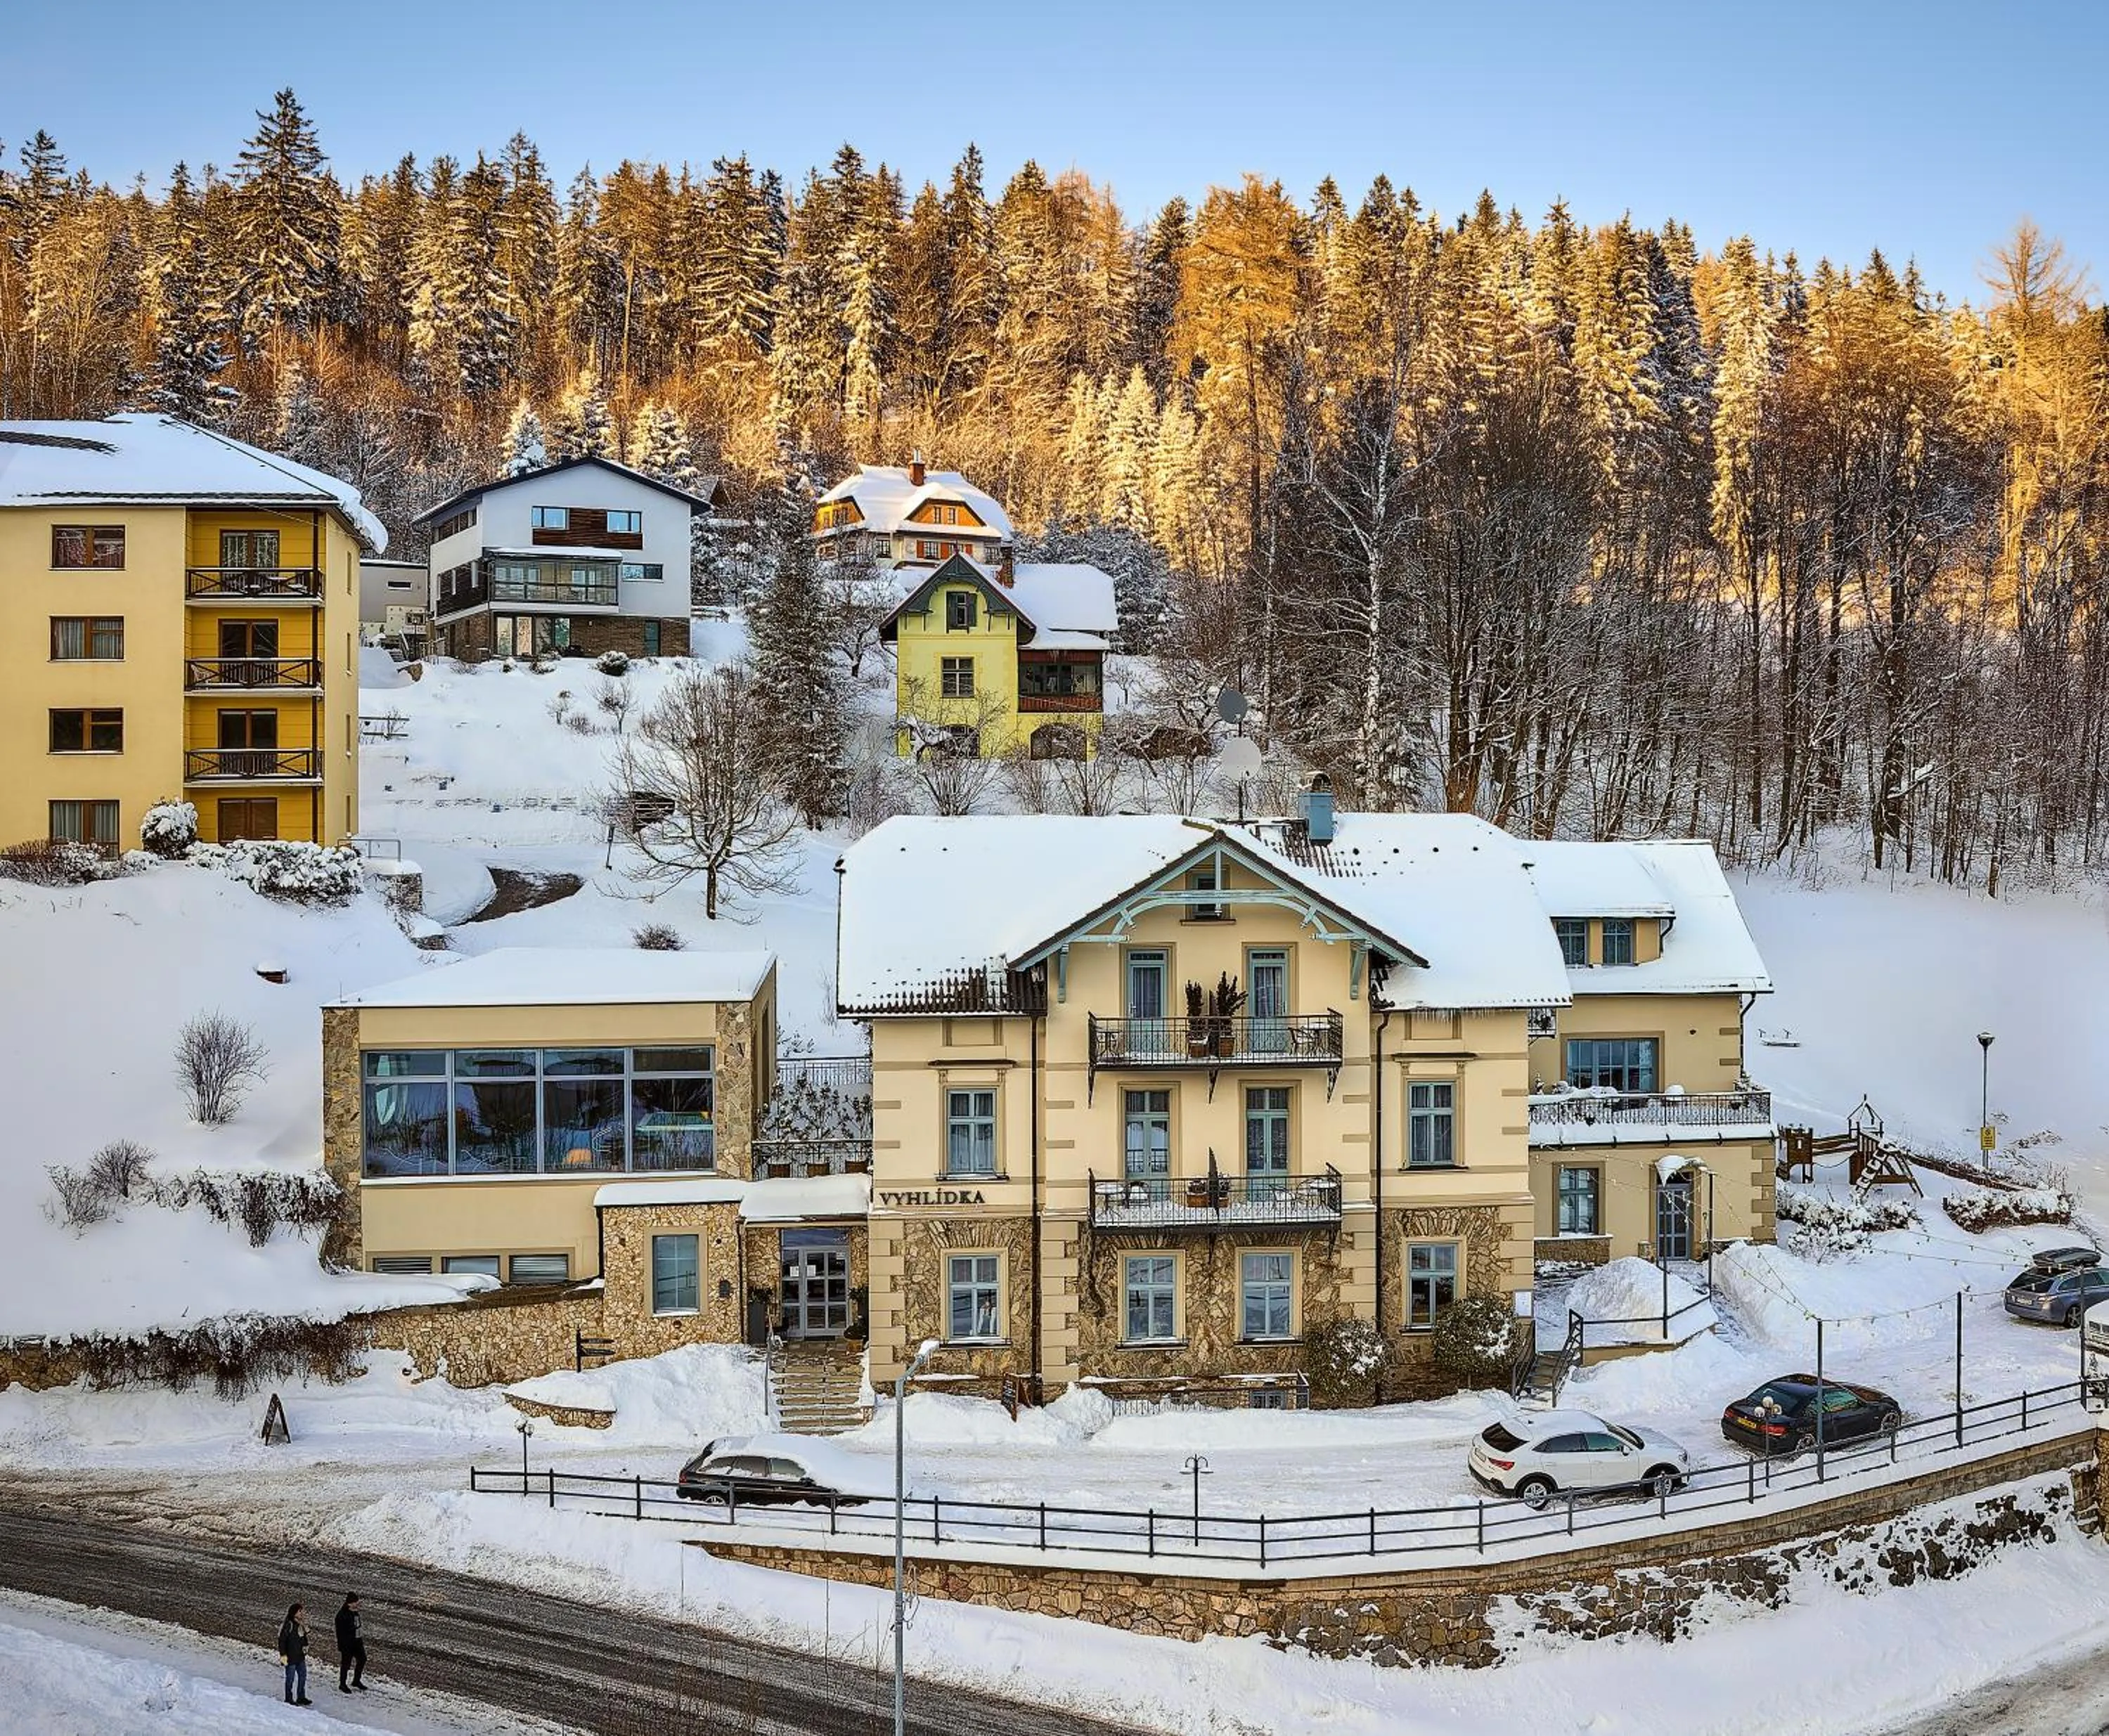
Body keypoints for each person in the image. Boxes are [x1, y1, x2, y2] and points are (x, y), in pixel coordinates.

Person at [276, 1602, 312, 1706]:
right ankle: (289, 1699)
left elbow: (304, 1637)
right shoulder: (288, 1625)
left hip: (300, 1656)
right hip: (290, 1658)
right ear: (294, 1613)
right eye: (300, 1611)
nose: (302, 1613)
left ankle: (301, 1697)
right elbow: (282, 1641)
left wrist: (305, 1646)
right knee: (290, 1679)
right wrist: (283, 1657)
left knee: (303, 1677)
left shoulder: (300, 1625)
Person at [335, 1592, 368, 1692]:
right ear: (350, 1603)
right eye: (356, 1602)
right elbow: (345, 1630)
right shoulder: (342, 1615)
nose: (357, 1604)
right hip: (347, 1645)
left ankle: (356, 1681)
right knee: (346, 1665)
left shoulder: (354, 1612)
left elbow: (358, 1625)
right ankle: (342, 1684)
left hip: (357, 1642)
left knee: (362, 1659)